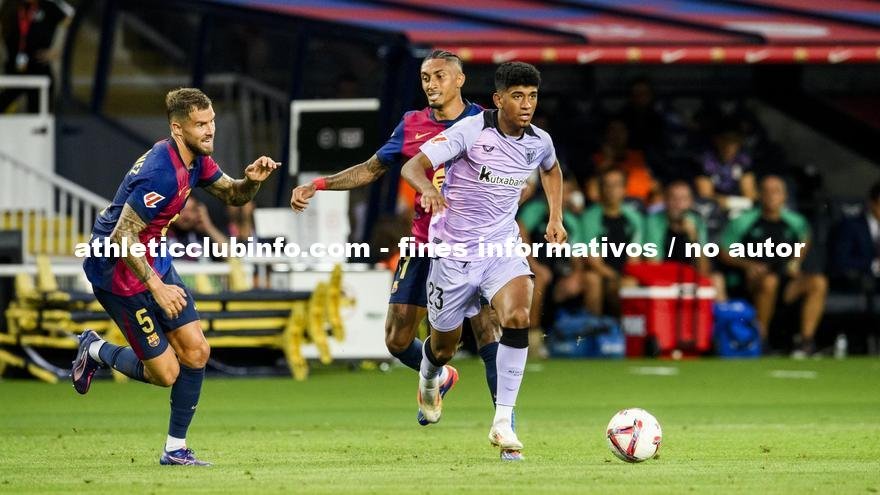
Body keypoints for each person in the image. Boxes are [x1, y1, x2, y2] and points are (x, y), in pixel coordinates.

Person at [290, 50, 501, 425]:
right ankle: (437, 375)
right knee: (396, 340)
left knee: (487, 328)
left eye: (439, 76)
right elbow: (371, 170)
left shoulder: (486, 123)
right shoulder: (412, 124)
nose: (431, 84)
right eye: (425, 78)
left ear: (459, 80)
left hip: (474, 246)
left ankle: (505, 427)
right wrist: (319, 184)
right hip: (422, 243)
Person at [72, 88, 278, 465]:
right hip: (118, 271)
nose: (210, 130)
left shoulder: (195, 159)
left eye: (212, 120)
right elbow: (122, 237)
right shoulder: (161, 172)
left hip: (156, 261)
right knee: (166, 373)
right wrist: (156, 286)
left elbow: (233, 196)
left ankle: (175, 449)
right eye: (201, 124)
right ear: (178, 128)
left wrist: (252, 181)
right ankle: (96, 349)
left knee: (197, 351)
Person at [401, 61, 565, 461]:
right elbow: (413, 166)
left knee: (518, 312)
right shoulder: (471, 130)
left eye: (532, 96)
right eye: (517, 96)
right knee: (442, 347)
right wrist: (428, 190)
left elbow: (552, 169)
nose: (526, 104)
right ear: (498, 99)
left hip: (500, 249)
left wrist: (556, 217)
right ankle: (430, 376)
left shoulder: (539, 140)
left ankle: (503, 422)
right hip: (453, 253)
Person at [720, 175, 827, 357]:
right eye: (767, 192)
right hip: (753, 281)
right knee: (769, 281)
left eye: (776, 191)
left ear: (784, 196)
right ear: (759, 195)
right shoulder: (743, 221)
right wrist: (748, 265)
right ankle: (761, 340)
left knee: (818, 282)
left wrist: (796, 261)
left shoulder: (795, 221)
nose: (771, 196)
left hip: (786, 280)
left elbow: (805, 238)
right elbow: (724, 251)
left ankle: (806, 342)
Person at [644, 180, 726, 300]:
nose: (678, 204)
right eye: (673, 198)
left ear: (690, 202)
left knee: (717, 280)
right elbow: (653, 264)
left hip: (689, 276)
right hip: (662, 276)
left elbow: (704, 271)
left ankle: (720, 318)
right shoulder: (653, 222)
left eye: (683, 199)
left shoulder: (696, 222)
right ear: (665, 201)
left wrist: (694, 240)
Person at [581, 168, 644, 316]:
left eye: (616, 185)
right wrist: (615, 278)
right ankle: (594, 330)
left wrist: (623, 279)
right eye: (607, 185)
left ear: (624, 189)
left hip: (625, 274)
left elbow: (634, 258)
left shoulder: (634, 218)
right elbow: (593, 260)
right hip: (602, 272)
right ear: (601, 189)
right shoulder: (589, 217)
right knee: (592, 279)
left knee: (630, 284)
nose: (611, 190)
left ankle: (627, 334)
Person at [0, 0, 73, 112]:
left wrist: (58, 51)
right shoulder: (9, 4)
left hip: (39, 71)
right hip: (13, 70)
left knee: (38, 120)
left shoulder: (50, 6)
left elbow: (75, 24)